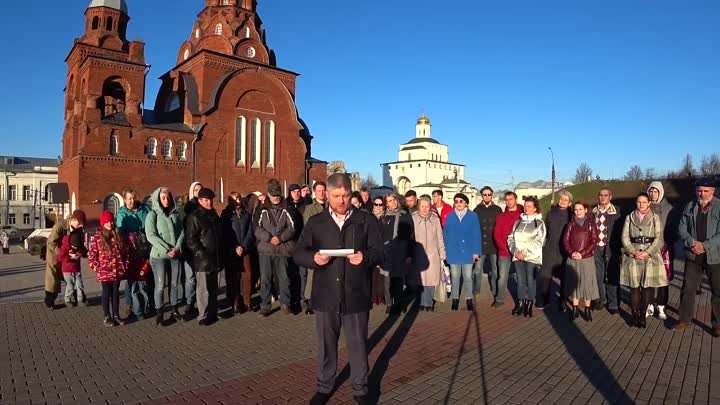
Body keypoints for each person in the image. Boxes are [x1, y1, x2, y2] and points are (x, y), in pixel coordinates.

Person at [293, 173, 383, 405]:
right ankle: (324, 386)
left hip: (356, 293)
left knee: (358, 344)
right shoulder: (316, 222)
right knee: (326, 344)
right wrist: (313, 258)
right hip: (325, 295)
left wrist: (365, 257)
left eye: (345, 195)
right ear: (326, 196)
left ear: (351, 194)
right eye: (336, 196)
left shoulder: (366, 220)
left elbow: (380, 251)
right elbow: (298, 253)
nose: (341, 201)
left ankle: (361, 388)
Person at [674, 179, 720, 336]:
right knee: (688, 289)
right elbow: (681, 226)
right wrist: (691, 242)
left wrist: (705, 245)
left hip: (714, 256)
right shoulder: (690, 205)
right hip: (693, 255)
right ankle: (684, 320)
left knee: (717, 291)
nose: (702, 194)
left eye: (706, 191)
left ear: (713, 191)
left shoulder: (719, 207)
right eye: (699, 190)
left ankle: (717, 324)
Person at [621, 192, 667, 328]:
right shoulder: (629, 217)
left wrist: (648, 252)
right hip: (633, 255)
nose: (641, 204)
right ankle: (635, 314)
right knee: (634, 288)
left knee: (647, 287)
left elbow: (659, 238)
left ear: (649, 203)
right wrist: (632, 251)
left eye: (644, 202)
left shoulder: (655, 218)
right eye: (638, 202)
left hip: (650, 256)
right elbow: (624, 236)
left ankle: (643, 315)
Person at [255, 179, 296, 316]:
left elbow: (293, 227)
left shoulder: (287, 208)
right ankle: (265, 306)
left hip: (282, 249)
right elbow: (256, 228)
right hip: (265, 250)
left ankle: (285, 303)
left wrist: (280, 238)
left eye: (278, 195)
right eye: (273, 195)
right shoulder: (261, 209)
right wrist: (268, 238)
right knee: (265, 279)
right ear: (268, 194)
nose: (276, 197)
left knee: (284, 278)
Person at [145, 187, 184, 326]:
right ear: (158, 199)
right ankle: (159, 313)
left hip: (175, 255)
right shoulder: (152, 215)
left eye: (167, 197)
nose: (166, 200)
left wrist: (178, 247)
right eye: (163, 198)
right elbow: (150, 235)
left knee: (174, 284)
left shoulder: (175, 213)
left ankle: (174, 310)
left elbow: (181, 232)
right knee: (160, 285)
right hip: (159, 256)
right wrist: (167, 249)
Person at [185, 188, 223, 326]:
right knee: (203, 289)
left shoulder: (213, 215)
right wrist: (202, 255)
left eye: (211, 199)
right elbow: (190, 240)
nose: (209, 202)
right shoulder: (195, 216)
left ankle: (213, 313)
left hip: (215, 257)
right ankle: (203, 316)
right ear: (200, 201)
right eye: (206, 200)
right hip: (203, 259)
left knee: (213, 288)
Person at [88, 211, 131, 327]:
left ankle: (116, 315)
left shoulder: (118, 235)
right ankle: (107, 316)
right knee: (106, 294)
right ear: (103, 223)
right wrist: (97, 268)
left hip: (117, 271)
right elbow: (92, 256)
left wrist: (124, 266)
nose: (110, 224)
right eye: (107, 222)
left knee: (116, 294)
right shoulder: (98, 237)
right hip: (105, 273)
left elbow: (126, 252)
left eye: (111, 221)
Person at [507, 197, 546, 318]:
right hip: (517, 257)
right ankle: (520, 303)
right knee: (520, 281)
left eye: (529, 206)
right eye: (525, 206)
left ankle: (529, 303)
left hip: (532, 258)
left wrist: (525, 253)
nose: (526, 208)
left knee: (530, 280)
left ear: (535, 208)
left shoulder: (539, 223)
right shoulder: (517, 222)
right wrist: (515, 252)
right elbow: (510, 238)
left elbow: (540, 241)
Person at [444, 193, 481, 311]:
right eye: (456, 201)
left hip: (468, 251)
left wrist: (476, 252)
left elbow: (477, 234)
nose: (458, 203)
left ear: (466, 203)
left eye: (461, 201)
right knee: (455, 276)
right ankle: (455, 299)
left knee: (468, 276)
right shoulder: (450, 216)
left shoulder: (473, 216)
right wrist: (446, 250)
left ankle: (469, 299)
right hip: (453, 251)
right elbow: (446, 234)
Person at [116, 189, 151, 313]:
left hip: (145, 247)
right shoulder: (122, 213)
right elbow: (120, 232)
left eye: (133, 198)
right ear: (125, 200)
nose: (132, 201)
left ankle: (146, 303)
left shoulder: (145, 209)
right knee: (132, 278)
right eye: (129, 199)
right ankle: (129, 304)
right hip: (131, 249)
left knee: (144, 276)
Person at [563, 201, 599, 322]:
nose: (577, 212)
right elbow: (565, 241)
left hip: (586, 258)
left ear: (585, 210)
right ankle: (575, 308)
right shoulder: (570, 224)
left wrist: (581, 253)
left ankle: (587, 309)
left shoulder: (591, 224)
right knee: (575, 284)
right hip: (573, 258)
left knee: (588, 283)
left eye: (580, 209)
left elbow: (594, 241)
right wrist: (572, 253)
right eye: (575, 210)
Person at [379, 192, 415, 312]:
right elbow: (379, 236)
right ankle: (389, 303)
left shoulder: (405, 215)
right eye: (389, 201)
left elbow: (411, 236)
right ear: (386, 203)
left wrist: (409, 254)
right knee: (387, 280)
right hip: (387, 252)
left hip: (401, 252)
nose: (392, 202)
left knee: (400, 280)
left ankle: (400, 303)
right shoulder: (383, 217)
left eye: (394, 199)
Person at [44, 210, 86, 309]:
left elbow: (80, 244)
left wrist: (82, 252)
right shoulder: (59, 226)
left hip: (71, 257)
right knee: (53, 279)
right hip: (55, 255)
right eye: (79, 223)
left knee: (75, 277)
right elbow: (51, 243)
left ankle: (78, 298)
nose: (80, 226)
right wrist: (63, 254)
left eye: (82, 223)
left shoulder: (79, 229)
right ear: (73, 219)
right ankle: (49, 301)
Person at [540, 190, 573, 311]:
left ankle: (562, 301)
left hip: (564, 250)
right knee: (546, 275)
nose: (563, 201)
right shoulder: (551, 213)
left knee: (564, 277)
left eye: (566, 200)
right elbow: (545, 230)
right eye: (561, 199)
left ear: (570, 203)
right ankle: (544, 298)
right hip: (550, 248)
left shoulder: (572, 215)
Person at [645, 181, 674, 320]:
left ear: (660, 192)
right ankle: (649, 304)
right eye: (650, 191)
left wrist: (668, 243)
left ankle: (661, 306)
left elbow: (673, 229)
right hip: (648, 249)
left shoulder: (669, 208)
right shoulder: (645, 206)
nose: (652, 194)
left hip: (664, 248)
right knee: (648, 278)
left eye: (655, 191)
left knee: (663, 279)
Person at [221, 192, 254, 314]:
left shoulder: (247, 214)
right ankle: (234, 301)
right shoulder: (226, 214)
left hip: (245, 249)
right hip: (232, 250)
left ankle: (247, 301)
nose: (237, 201)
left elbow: (251, 232)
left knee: (248, 275)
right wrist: (235, 246)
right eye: (235, 199)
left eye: (239, 198)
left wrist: (244, 246)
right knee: (233, 277)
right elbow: (226, 233)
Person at [592, 188, 623, 314]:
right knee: (598, 275)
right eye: (600, 195)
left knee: (612, 275)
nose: (603, 197)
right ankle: (601, 299)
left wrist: (620, 248)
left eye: (606, 195)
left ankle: (614, 303)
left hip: (611, 247)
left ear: (610, 197)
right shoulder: (593, 211)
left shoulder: (617, 211)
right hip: (596, 248)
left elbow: (621, 230)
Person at [413, 196, 446, 311]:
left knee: (432, 280)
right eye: (422, 206)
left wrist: (442, 254)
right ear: (419, 207)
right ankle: (422, 302)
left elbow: (440, 237)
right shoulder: (414, 218)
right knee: (421, 279)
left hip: (433, 254)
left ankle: (429, 303)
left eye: (427, 206)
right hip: (418, 253)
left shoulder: (435, 219)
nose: (425, 209)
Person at [300, 182, 328, 314]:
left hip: (330, 244)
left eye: (323, 190)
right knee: (313, 273)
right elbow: (308, 227)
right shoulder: (310, 208)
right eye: (319, 190)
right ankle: (310, 300)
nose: (321, 193)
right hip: (315, 244)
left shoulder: (331, 206)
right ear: (314, 192)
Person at [492, 192, 523, 308]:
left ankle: (521, 300)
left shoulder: (522, 215)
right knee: (502, 277)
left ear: (516, 199)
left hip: (519, 252)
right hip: (504, 252)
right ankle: (499, 299)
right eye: (507, 199)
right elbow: (497, 234)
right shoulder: (501, 217)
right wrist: (504, 247)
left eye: (511, 199)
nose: (509, 201)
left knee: (520, 277)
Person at [472, 186, 502, 301]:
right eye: (485, 194)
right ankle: (476, 288)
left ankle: (495, 289)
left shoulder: (498, 209)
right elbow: (474, 228)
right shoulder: (477, 210)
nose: (487, 196)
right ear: (482, 196)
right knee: (478, 269)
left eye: (489, 194)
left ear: (492, 195)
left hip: (494, 244)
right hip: (481, 244)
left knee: (495, 269)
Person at [180, 182, 202, 318]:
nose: (198, 191)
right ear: (191, 191)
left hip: (201, 246)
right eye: (195, 189)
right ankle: (189, 303)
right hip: (189, 247)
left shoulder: (204, 205)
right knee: (190, 278)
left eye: (200, 189)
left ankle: (200, 303)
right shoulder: (186, 207)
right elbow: (183, 228)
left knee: (200, 277)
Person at [56, 227, 87, 307]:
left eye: (77, 247)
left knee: (79, 284)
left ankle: (80, 300)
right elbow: (59, 257)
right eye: (74, 247)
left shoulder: (79, 245)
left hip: (76, 269)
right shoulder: (65, 246)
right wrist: (69, 257)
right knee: (70, 285)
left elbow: (84, 251)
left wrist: (80, 254)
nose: (75, 248)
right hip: (67, 269)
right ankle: (67, 299)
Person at [371, 196, 391, 309]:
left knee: (384, 276)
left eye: (380, 204)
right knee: (374, 275)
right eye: (376, 204)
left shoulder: (386, 217)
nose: (378, 207)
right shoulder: (369, 217)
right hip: (372, 249)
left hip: (384, 249)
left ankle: (384, 298)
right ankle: (375, 297)